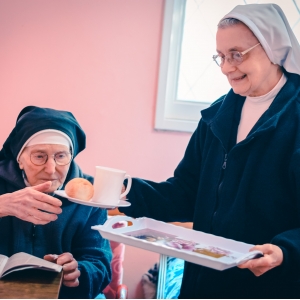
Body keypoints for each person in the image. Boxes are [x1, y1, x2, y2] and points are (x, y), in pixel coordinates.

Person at [119, 3, 300, 298]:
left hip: (269, 284)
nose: (227, 67)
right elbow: (186, 193)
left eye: (237, 55)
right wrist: (123, 191)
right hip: (204, 282)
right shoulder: (217, 116)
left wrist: (285, 250)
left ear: (273, 47)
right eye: (221, 56)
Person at [0, 106, 112, 299]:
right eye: (39, 156)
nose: (51, 170)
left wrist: (78, 271)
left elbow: (99, 264)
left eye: (60, 156)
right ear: (20, 159)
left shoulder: (90, 194)